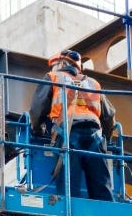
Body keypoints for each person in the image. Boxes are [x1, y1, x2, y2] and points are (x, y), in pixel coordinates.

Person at [29, 49, 116, 201]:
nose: (52, 69)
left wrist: (37, 129)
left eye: (54, 65)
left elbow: (37, 108)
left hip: (68, 134)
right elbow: (109, 116)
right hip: (95, 134)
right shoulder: (93, 84)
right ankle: (106, 215)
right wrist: (106, 140)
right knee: (101, 185)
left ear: (62, 64)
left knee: (69, 188)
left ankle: (70, 212)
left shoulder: (53, 77)